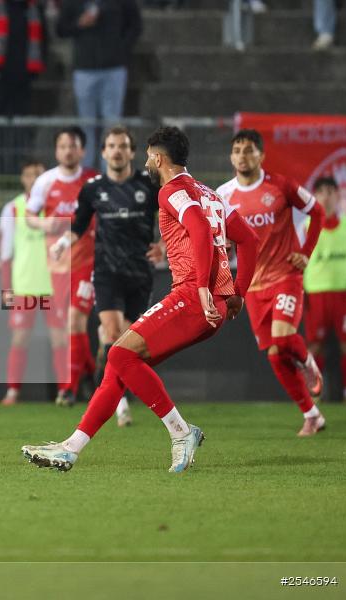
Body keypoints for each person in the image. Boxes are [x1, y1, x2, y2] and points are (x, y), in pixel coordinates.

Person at [22, 126, 259, 473]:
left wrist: (204, 288)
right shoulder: (210, 193)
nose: (146, 161)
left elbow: (198, 229)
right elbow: (249, 240)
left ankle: (181, 432)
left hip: (194, 297)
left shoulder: (171, 192)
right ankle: (70, 448)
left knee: (117, 353)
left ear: (158, 158)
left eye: (148, 155)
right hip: (213, 304)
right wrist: (237, 292)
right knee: (120, 365)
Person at [48, 125, 162, 426]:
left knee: (126, 342)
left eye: (123, 146)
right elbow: (79, 225)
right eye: (111, 145)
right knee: (113, 334)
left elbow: (170, 216)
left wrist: (163, 245)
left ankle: (108, 377)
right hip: (106, 272)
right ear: (103, 152)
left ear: (131, 152)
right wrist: (61, 244)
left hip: (139, 272)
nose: (117, 151)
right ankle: (121, 402)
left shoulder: (149, 185)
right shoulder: (93, 189)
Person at [216, 129, 326, 436]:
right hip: (252, 286)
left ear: (261, 156)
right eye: (237, 149)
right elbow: (220, 241)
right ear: (231, 156)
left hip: (285, 275)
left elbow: (316, 212)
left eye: (249, 150)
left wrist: (305, 253)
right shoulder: (223, 195)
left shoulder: (281, 186)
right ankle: (312, 415)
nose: (242, 155)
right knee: (276, 355)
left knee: (282, 339)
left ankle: (308, 362)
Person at [25, 126, 98, 406]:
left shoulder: (93, 180)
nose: (68, 150)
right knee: (66, 327)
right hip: (56, 264)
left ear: (82, 150)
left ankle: (68, 389)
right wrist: (47, 223)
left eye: (73, 145)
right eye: (63, 146)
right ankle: (91, 372)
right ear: (57, 151)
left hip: (87, 261)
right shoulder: (45, 182)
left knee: (74, 321)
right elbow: (30, 216)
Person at [55, 0, 142, 170]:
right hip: (84, 69)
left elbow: (135, 25)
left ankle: (109, 172)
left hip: (114, 69)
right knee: (86, 123)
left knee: (112, 123)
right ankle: (85, 174)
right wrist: (79, 24)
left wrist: (121, 49)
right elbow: (60, 29)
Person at [0, 160, 54, 405]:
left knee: (62, 339)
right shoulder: (13, 208)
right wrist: (6, 287)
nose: (34, 179)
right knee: (20, 338)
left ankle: (67, 391)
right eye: (29, 175)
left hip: (55, 286)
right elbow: (6, 253)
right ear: (22, 178)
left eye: (39, 175)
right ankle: (13, 391)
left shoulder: (56, 206)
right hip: (24, 286)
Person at [0, 0, 48, 180]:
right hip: (0, 81)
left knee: (21, 132)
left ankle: (19, 175)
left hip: (23, 82)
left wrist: (35, 72)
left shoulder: (34, 9)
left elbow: (44, 42)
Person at [303, 177, 346, 403]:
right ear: (315, 196)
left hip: (344, 294)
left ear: (338, 195)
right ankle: (314, 393)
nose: (327, 196)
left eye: (331, 191)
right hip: (315, 294)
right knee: (314, 345)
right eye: (321, 191)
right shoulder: (306, 226)